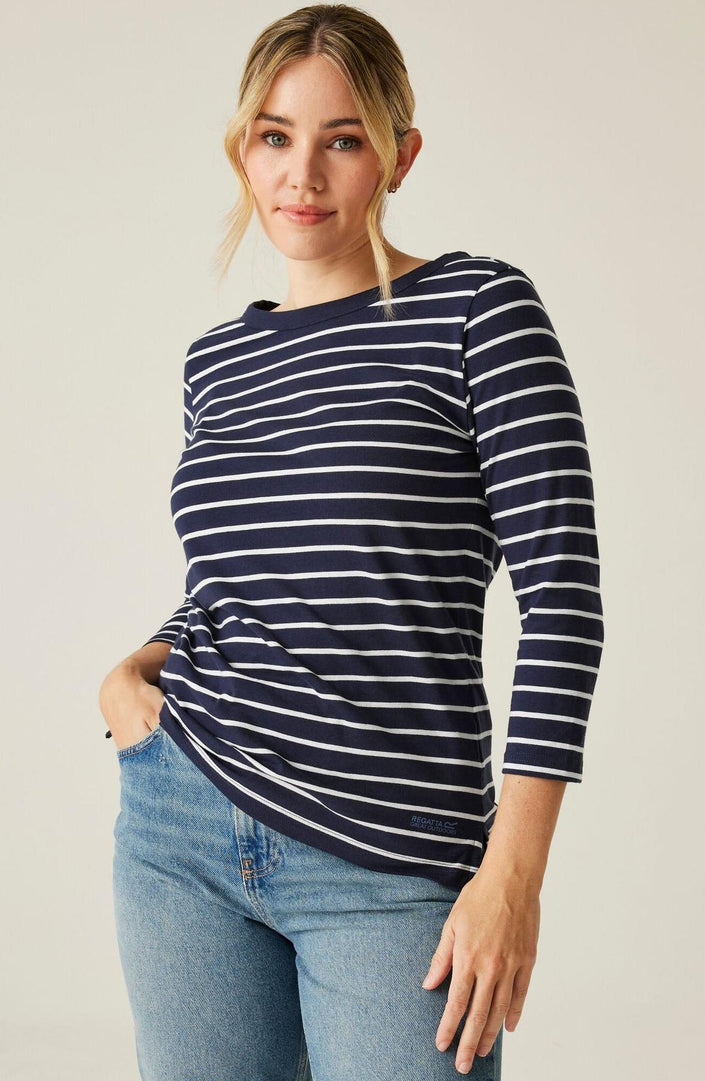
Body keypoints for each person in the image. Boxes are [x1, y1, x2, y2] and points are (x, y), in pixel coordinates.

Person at [99, 5, 604, 1080]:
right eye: (275, 136)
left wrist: (513, 878)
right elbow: (237, 581)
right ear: (242, 149)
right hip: (180, 824)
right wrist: (132, 672)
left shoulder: (478, 310)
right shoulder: (216, 363)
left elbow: (563, 601)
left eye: (344, 139)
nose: (303, 174)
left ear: (400, 156)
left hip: (392, 859)